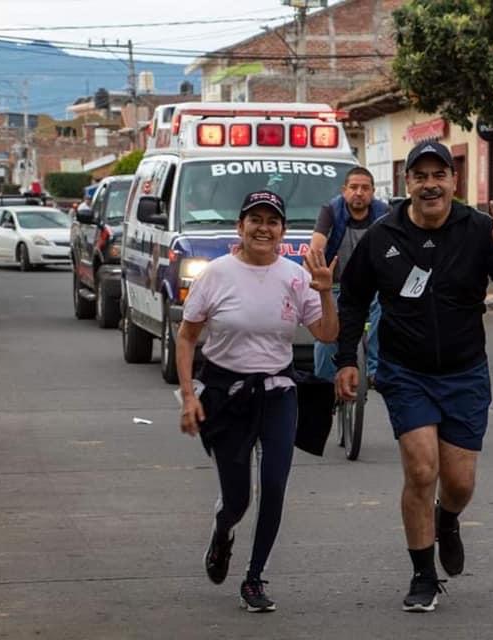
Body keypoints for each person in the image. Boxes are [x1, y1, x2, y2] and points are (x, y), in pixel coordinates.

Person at [334, 141, 493, 611]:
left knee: (460, 482)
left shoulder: (479, 230)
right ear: (407, 183)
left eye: (439, 175)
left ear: (453, 181)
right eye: (420, 175)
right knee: (422, 468)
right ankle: (424, 575)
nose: (430, 184)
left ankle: (447, 519)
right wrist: (347, 358)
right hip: (406, 371)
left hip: (466, 372)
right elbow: (352, 299)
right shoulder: (382, 237)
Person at [175, 190, 338, 612]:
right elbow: (187, 337)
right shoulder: (216, 274)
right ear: (240, 227)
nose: (263, 228)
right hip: (226, 395)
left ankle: (253, 579)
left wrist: (324, 291)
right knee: (237, 500)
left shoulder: (295, 276)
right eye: (255, 220)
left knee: (275, 485)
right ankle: (223, 529)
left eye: (272, 221)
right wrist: (189, 396)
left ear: (282, 231)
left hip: (278, 392)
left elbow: (326, 334)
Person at [310, 166, 389, 384]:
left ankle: (375, 370)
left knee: (385, 311)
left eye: (365, 188)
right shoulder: (331, 211)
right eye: (353, 187)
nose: (359, 192)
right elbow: (317, 244)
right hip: (336, 286)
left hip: (373, 287)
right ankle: (323, 387)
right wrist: (315, 264)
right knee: (327, 335)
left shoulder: (384, 213)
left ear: (373, 192)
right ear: (344, 190)